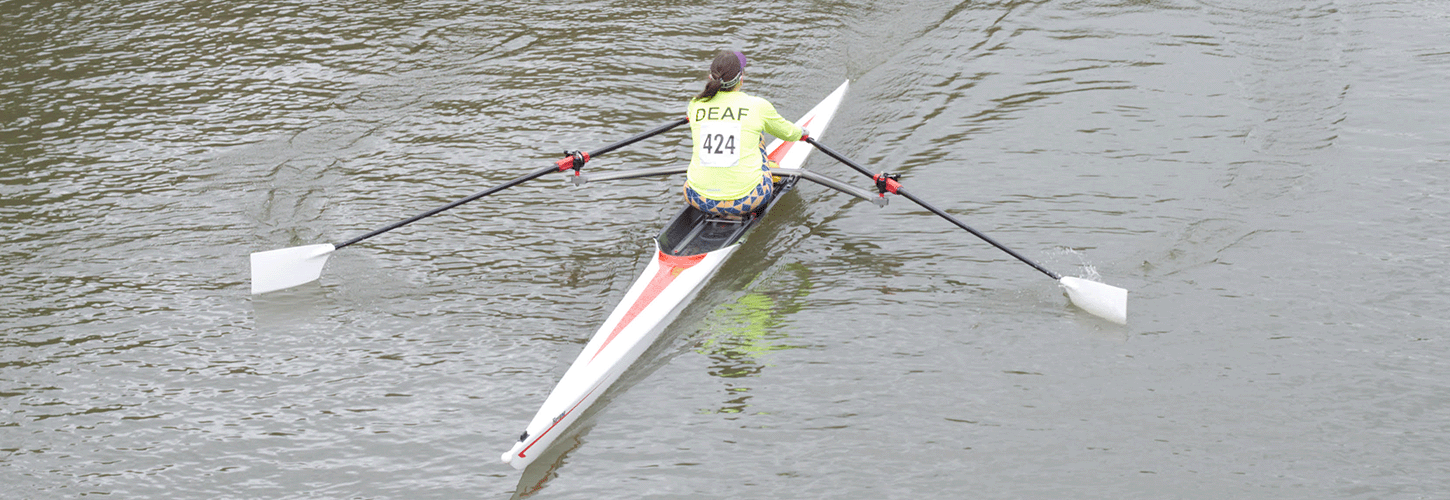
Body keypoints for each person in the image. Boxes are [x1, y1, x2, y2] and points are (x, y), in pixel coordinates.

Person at [684, 50, 809, 219]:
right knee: (757, 135)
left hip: (696, 197)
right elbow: (789, 133)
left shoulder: (695, 104)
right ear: (741, 79)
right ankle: (771, 173)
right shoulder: (757, 106)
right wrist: (802, 133)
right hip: (746, 200)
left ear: (710, 77)